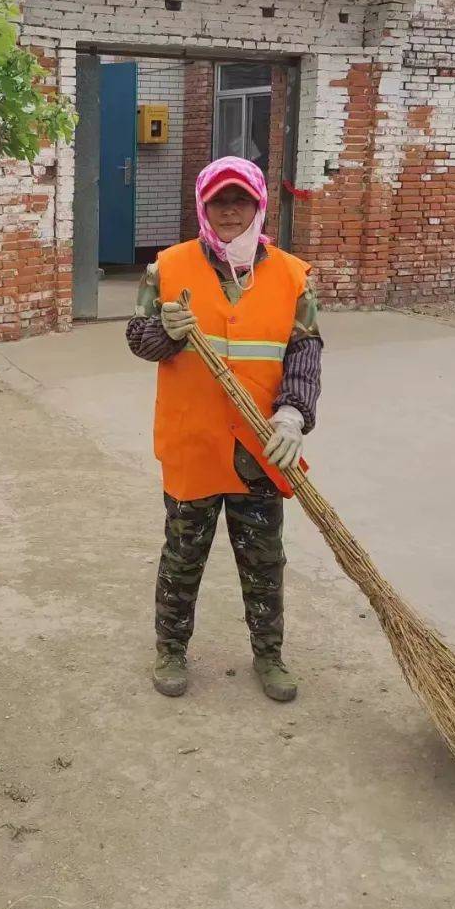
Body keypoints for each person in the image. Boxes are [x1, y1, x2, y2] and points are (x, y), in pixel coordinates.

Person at [125, 156, 322, 702]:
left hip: (260, 448)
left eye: (241, 201)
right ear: (203, 207)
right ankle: (170, 649)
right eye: (220, 201)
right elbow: (140, 341)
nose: (230, 210)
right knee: (183, 555)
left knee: (263, 559)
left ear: (258, 205)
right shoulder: (167, 268)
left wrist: (293, 414)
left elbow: (305, 353)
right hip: (194, 443)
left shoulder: (291, 275)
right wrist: (163, 332)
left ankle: (269, 656)